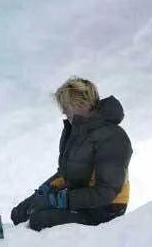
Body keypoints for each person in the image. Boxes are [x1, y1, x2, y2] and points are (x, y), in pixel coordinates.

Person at [10, 77, 132, 231]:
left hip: (106, 209)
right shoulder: (75, 130)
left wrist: (63, 200)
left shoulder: (113, 137)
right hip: (81, 200)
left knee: (38, 221)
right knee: (19, 214)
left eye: (66, 106)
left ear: (81, 104)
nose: (62, 111)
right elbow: (67, 172)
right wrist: (46, 189)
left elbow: (107, 191)